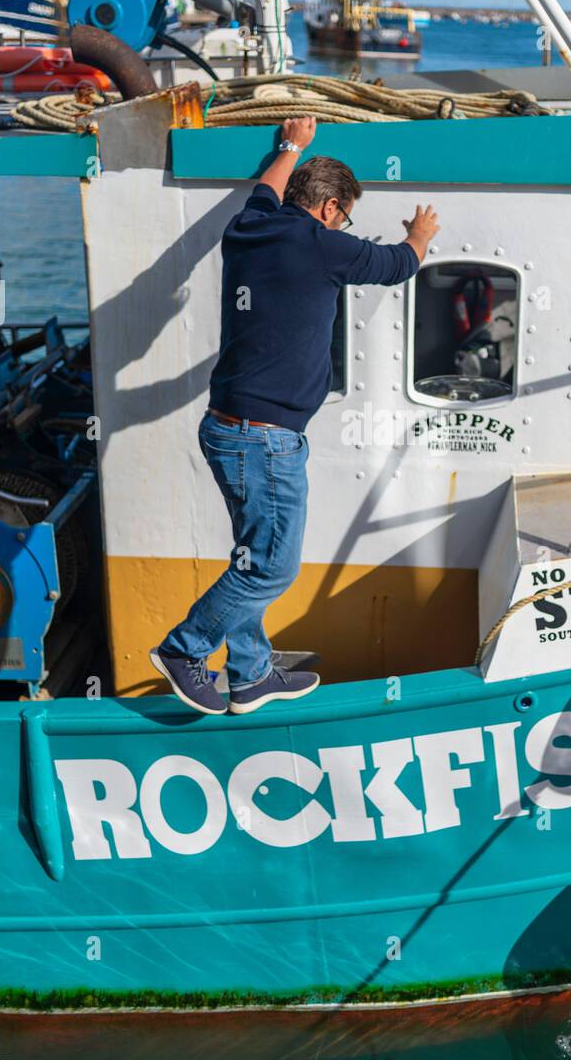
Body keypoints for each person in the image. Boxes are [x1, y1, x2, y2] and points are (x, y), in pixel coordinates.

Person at [151, 114, 440, 714]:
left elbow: (267, 187)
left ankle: (251, 674)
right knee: (271, 572)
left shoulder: (249, 226)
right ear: (331, 209)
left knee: (252, 557)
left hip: (228, 429)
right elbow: (398, 265)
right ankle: (185, 650)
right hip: (263, 440)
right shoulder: (320, 245)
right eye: (347, 215)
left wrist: (290, 146)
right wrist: (421, 232)